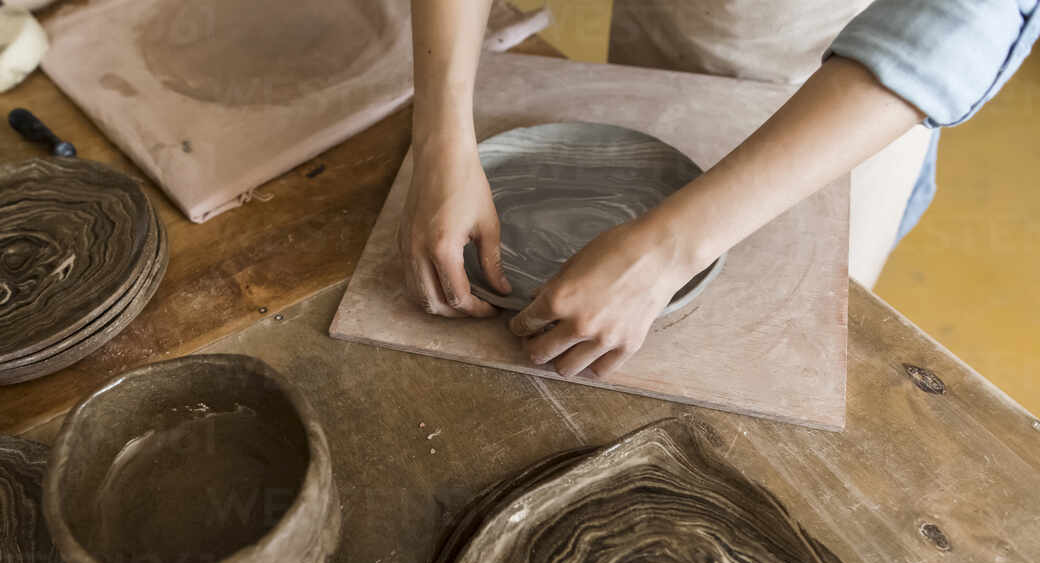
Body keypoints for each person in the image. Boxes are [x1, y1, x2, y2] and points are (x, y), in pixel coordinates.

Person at [399, 0, 1038, 378]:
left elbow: (962, 19)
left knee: (767, 360)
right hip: (676, 32)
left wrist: (668, 250)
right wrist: (440, 136)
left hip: (850, 106)